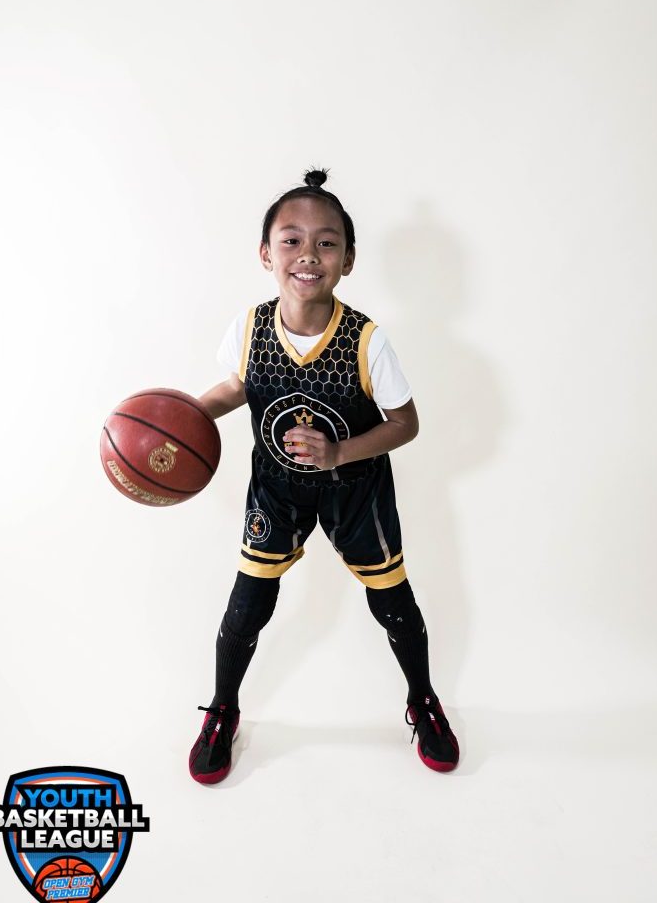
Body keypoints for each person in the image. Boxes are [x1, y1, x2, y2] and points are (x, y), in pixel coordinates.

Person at [189, 167, 459, 784]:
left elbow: (406, 423)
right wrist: (181, 417)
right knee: (248, 605)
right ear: (266, 254)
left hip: (355, 491)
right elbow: (237, 387)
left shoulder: (365, 341)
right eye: (291, 240)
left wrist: (340, 453)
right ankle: (223, 709)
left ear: (348, 260)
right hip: (277, 489)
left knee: (392, 603)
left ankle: (422, 700)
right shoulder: (249, 328)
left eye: (326, 242)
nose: (308, 254)